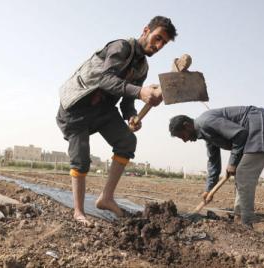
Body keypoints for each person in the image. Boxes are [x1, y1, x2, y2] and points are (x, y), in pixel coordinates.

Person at [57, 16, 177, 225]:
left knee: (127, 141)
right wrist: (141, 92)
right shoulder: (121, 47)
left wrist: (131, 115)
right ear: (145, 30)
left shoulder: (142, 68)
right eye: (157, 38)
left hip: (102, 110)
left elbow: (127, 101)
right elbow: (106, 80)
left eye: (163, 43)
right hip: (77, 107)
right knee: (81, 158)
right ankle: (78, 212)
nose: (158, 46)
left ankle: (106, 198)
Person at [169, 106, 264, 228]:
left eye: (182, 136)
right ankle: (239, 216)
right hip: (255, 130)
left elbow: (240, 134)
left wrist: (232, 162)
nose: (185, 140)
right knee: (240, 174)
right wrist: (209, 189)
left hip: (262, 125)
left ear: (187, 125)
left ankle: (246, 222)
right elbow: (213, 162)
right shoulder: (205, 133)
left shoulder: (206, 122)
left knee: (243, 173)